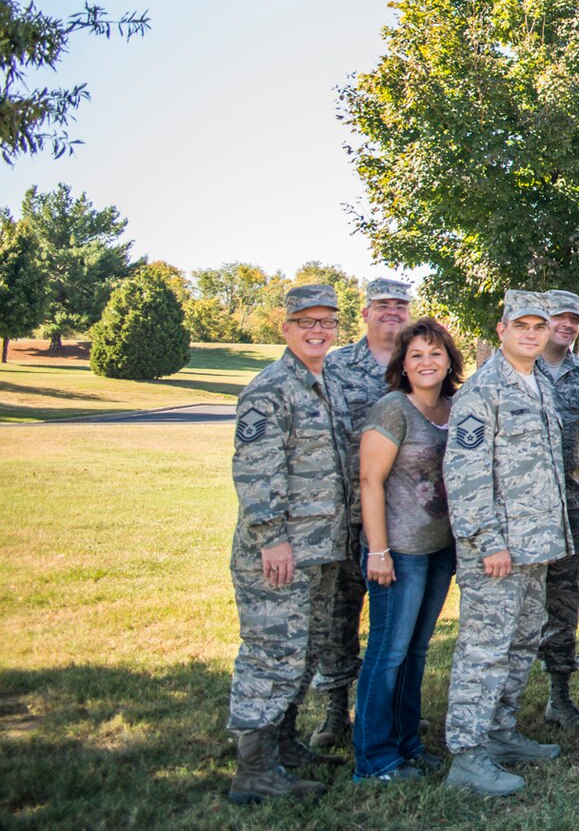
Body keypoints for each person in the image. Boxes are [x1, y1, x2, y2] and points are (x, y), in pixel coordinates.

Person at [225, 285, 353, 805]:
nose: (318, 330)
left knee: (303, 652)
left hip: (320, 550)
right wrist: (271, 540)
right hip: (280, 554)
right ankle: (253, 770)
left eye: (326, 322)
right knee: (270, 654)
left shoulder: (327, 383)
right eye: (306, 322)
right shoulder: (270, 388)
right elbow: (255, 472)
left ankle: (283, 745)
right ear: (286, 328)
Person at [441, 291, 571, 797]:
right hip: (497, 552)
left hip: (536, 547)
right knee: (485, 650)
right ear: (502, 330)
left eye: (540, 326)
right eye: (522, 325)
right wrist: (488, 541)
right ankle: (467, 754)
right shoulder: (483, 391)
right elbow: (466, 474)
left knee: (520, 644)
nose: (532, 334)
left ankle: (499, 734)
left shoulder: (538, 383)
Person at [352, 317, 463, 782]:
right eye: (416, 354)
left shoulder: (453, 409)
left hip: (439, 550)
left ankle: (407, 743)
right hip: (399, 552)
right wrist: (378, 551)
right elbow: (369, 481)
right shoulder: (394, 409)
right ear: (403, 363)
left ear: (449, 360)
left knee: (416, 652)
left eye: (435, 353)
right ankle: (374, 757)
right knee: (388, 653)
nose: (426, 362)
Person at [308, 277, 410, 753]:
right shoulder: (335, 366)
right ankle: (334, 709)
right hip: (343, 512)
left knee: (397, 621)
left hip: (402, 514)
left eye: (400, 305)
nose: (392, 312)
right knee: (337, 613)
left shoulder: (418, 360)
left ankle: (393, 709)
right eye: (383, 305)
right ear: (365, 312)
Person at [536, 289, 579, 730]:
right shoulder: (515, 368)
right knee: (515, 606)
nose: (568, 324)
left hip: (567, 505)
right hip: (520, 510)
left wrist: (568, 470)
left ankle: (560, 696)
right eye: (559, 316)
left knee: (565, 598)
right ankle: (500, 700)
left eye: (574, 318)